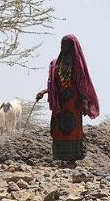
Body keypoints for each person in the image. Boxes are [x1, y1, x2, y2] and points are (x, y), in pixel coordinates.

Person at [36, 34, 99, 165]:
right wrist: (44, 92)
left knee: (72, 128)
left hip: (73, 102)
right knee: (57, 127)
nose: (62, 47)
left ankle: (72, 159)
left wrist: (85, 101)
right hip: (60, 102)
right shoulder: (56, 63)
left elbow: (82, 84)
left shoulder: (77, 64)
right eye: (61, 44)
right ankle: (61, 157)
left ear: (71, 46)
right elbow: (55, 85)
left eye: (65, 44)